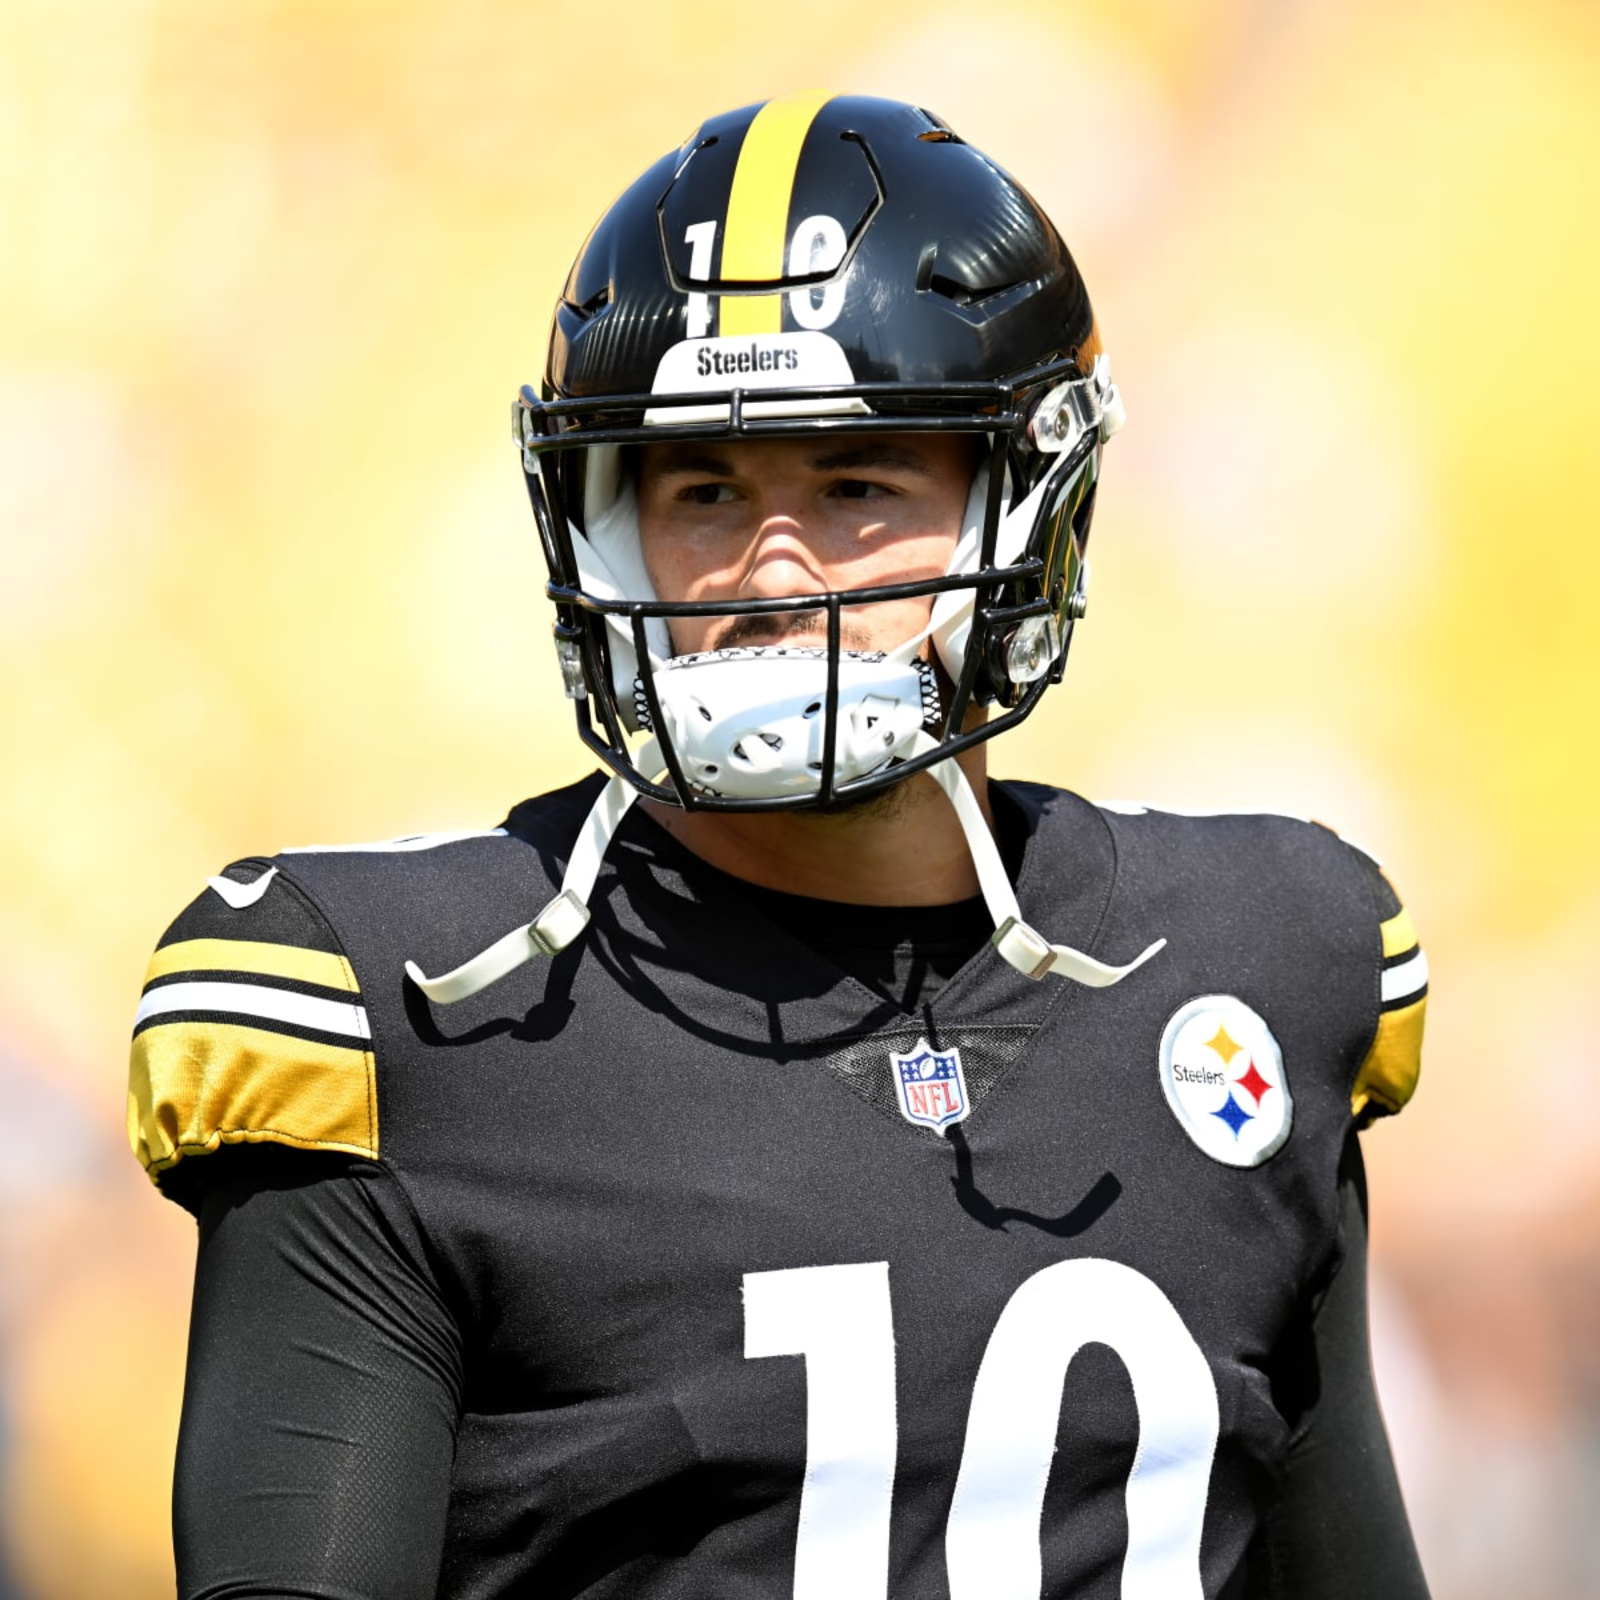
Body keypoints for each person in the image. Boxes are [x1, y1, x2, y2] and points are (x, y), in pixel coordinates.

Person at [128, 92, 1432, 1599]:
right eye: (703, 489)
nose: (771, 568)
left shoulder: (1269, 955)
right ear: (604, 523)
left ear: (1034, 506)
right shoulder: (409, 1006)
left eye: (857, 484)